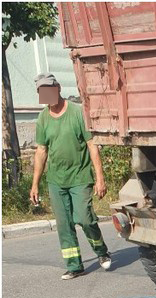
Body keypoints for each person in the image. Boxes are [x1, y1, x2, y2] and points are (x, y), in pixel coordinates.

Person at [30, 73, 112, 280]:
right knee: (64, 224)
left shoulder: (76, 113)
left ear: (57, 88)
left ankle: (101, 250)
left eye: (49, 88)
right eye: (42, 91)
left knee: (85, 219)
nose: (47, 94)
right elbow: (41, 151)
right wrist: (35, 185)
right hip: (56, 181)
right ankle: (75, 265)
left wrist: (100, 178)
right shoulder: (43, 118)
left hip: (80, 177)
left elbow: (92, 145)